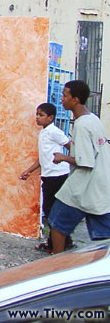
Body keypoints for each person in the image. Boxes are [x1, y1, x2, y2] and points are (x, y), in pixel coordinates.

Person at [48, 80, 110, 254]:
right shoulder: (93, 119)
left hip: (84, 185)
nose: (61, 99)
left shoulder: (82, 125)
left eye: (65, 95)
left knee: (57, 222)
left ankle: (57, 262)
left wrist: (62, 157)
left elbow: (85, 161)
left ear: (75, 100)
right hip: (101, 185)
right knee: (103, 235)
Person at [19, 102, 72, 252]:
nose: (37, 117)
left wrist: (69, 159)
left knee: (52, 212)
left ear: (51, 118)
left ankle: (57, 244)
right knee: (51, 211)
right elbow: (42, 158)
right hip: (49, 176)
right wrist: (29, 171)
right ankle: (63, 242)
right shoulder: (43, 133)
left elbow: (69, 145)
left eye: (41, 115)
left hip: (57, 175)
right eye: (37, 114)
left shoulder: (54, 132)